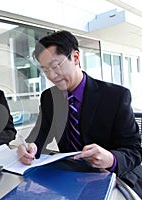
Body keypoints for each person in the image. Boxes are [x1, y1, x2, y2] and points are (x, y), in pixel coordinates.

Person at [17, 30, 142, 197]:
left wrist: (112, 158)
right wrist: (29, 148)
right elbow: (40, 136)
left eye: (55, 66)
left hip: (114, 179)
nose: (51, 76)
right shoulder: (49, 98)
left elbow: (134, 150)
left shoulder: (115, 96)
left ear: (75, 57)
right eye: (45, 70)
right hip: (70, 179)